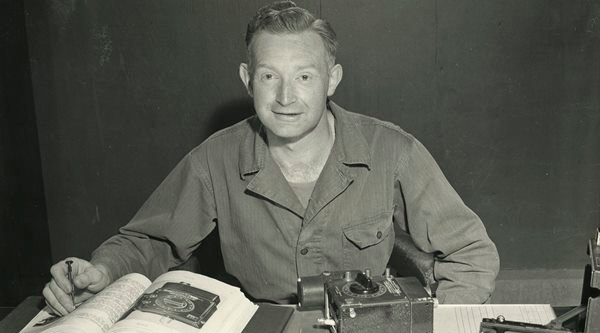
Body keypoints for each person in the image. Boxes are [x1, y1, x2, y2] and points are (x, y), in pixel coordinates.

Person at [43, 0, 499, 316]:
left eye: (304, 76)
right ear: (247, 79)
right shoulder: (214, 159)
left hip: (371, 332)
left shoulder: (392, 151)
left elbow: (471, 254)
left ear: (332, 79)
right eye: (268, 76)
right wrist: (102, 271)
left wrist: (439, 330)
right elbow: (150, 242)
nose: (285, 97)